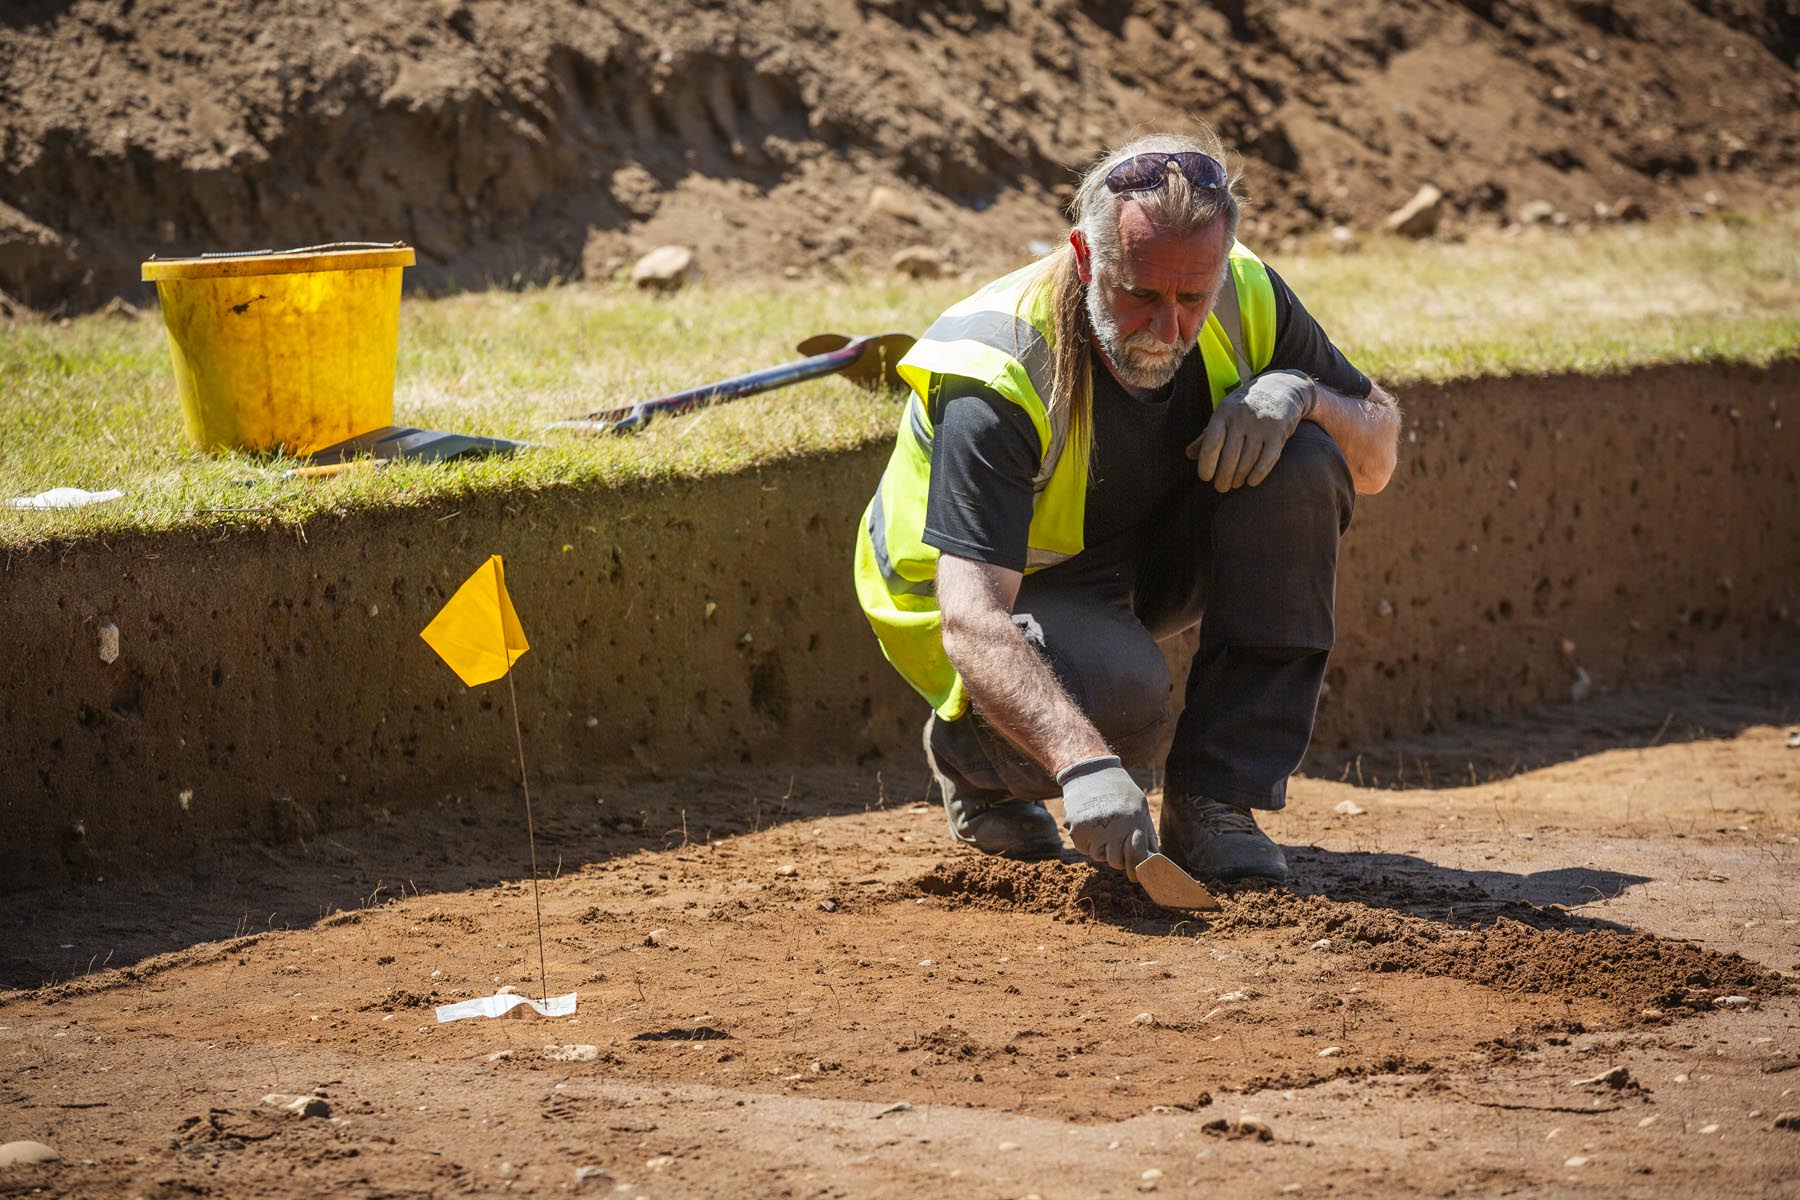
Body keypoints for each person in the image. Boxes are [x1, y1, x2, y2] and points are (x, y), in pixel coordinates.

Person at [852, 130, 1400, 884]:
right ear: (1084, 257)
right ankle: (975, 762)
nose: (1167, 328)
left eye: (1191, 299)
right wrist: (1084, 766)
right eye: (1139, 294)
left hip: (1130, 549)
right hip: (968, 596)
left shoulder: (1245, 291)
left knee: (1306, 461)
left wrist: (1305, 397)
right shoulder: (1003, 366)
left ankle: (1214, 804)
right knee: (1121, 696)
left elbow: (1377, 456)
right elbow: (970, 615)